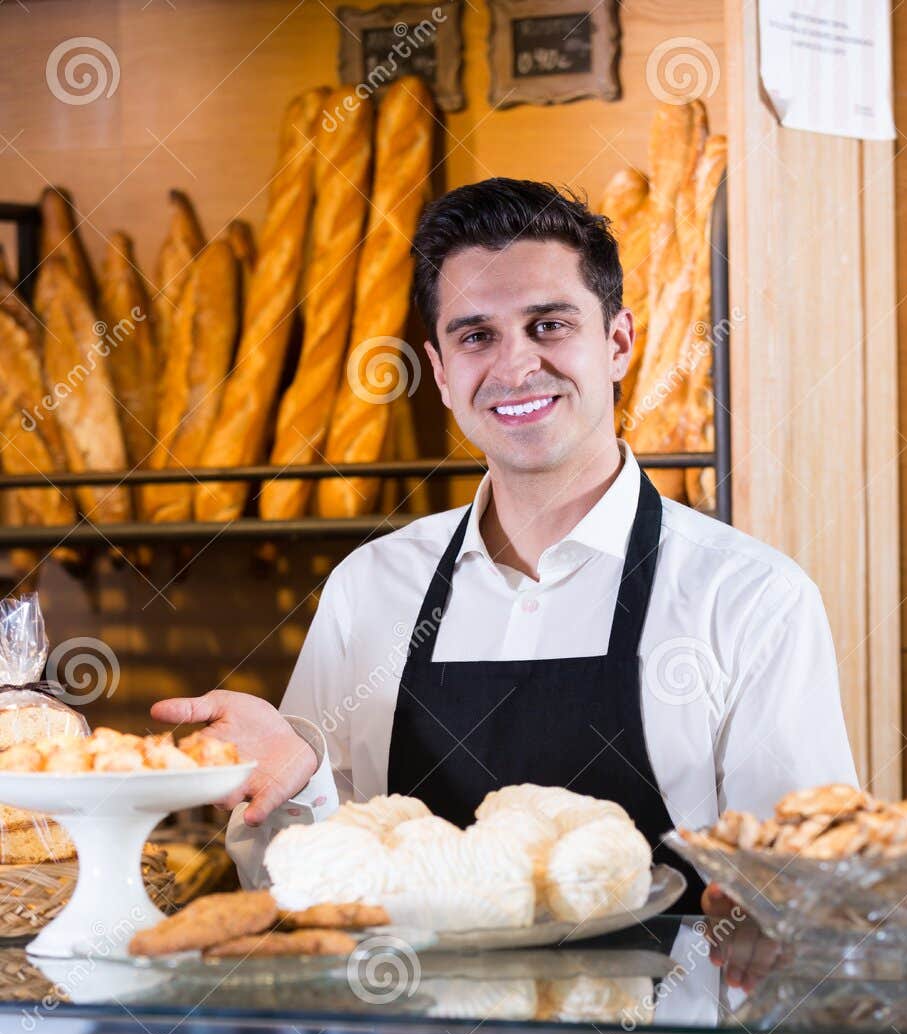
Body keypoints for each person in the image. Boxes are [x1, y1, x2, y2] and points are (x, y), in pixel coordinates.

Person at [152, 177, 857, 919]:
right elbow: (299, 893)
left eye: (549, 325)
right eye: (476, 335)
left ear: (617, 343)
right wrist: (295, 785)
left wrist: (777, 909)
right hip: (414, 1028)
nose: (516, 366)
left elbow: (802, 893)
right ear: (443, 375)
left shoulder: (747, 597)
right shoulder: (370, 590)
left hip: (664, 1030)